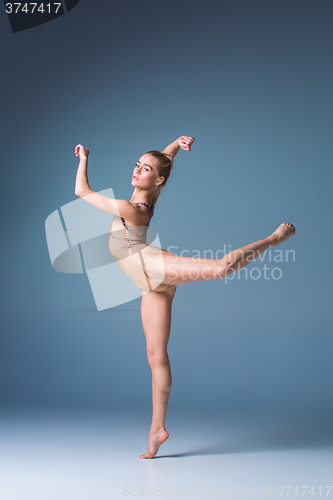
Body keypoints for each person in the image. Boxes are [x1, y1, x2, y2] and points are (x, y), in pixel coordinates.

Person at [74, 136, 296, 459]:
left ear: (158, 179)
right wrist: (176, 144)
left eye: (144, 169)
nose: (137, 171)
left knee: (222, 267)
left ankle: (273, 239)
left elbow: (82, 191)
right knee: (156, 357)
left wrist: (84, 158)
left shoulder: (130, 209)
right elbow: (163, 159)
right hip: (150, 284)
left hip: (154, 269)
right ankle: (156, 430)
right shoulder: (148, 192)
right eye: (137, 165)